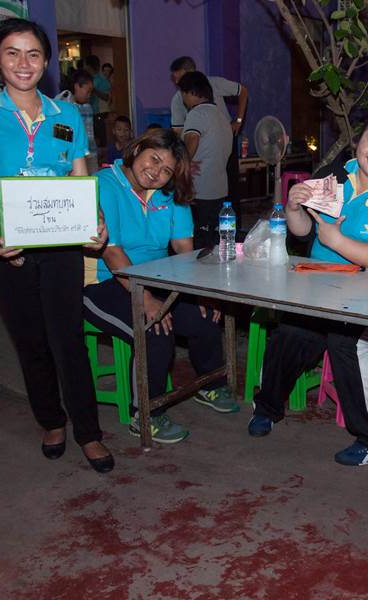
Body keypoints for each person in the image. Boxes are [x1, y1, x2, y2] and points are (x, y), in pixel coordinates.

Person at [0, 17, 113, 473]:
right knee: (30, 340)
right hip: (8, 245)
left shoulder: (67, 116)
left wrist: (96, 220)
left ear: (46, 62)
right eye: (12, 53)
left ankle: (89, 431)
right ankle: (51, 420)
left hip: (61, 243)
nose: (23, 63)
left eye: (33, 54)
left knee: (69, 340)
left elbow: (81, 179)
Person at [247, 111, 368, 467]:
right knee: (291, 331)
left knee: (348, 343)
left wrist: (338, 241)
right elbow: (303, 231)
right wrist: (294, 207)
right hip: (318, 285)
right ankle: (266, 406)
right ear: (358, 142)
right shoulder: (334, 176)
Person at [83, 128, 239, 444]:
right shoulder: (104, 185)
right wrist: (145, 299)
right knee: (153, 327)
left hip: (157, 279)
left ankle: (209, 386)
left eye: (167, 170)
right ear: (137, 149)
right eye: (154, 159)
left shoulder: (170, 194)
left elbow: (183, 249)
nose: (157, 173)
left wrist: (200, 292)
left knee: (205, 315)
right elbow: (113, 254)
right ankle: (145, 415)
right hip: (103, 282)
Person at [176, 71, 234, 249]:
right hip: (220, 189)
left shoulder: (197, 114)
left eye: (183, 94)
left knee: (198, 244)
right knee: (214, 241)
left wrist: (182, 165)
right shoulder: (222, 116)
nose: (183, 100)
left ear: (192, 93)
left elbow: (192, 139)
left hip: (200, 190)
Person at [168, 56, 247, 134]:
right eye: (175, 78)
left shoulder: (213, 83)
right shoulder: (177, 99)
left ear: (192, 73)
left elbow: (242, 91)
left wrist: (239, 121)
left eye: (180, 78)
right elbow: (178, 130)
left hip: (225, 134)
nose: (177, 82)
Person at [55, 69, 98, 172]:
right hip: (71, 156)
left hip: (89, 154)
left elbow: (90, 135)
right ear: (77, 86)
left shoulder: (87, 108)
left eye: (91, 92)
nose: (89, 95)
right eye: (88, 91)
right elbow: (61, 140)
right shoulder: (63, 106)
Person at [85, 55, 111, 150]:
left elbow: (107, 97)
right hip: (89, 113)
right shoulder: (87, 79)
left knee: (101, 141)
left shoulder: (102, 80)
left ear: (88, 66)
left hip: (100, 113)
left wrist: (94, 90)